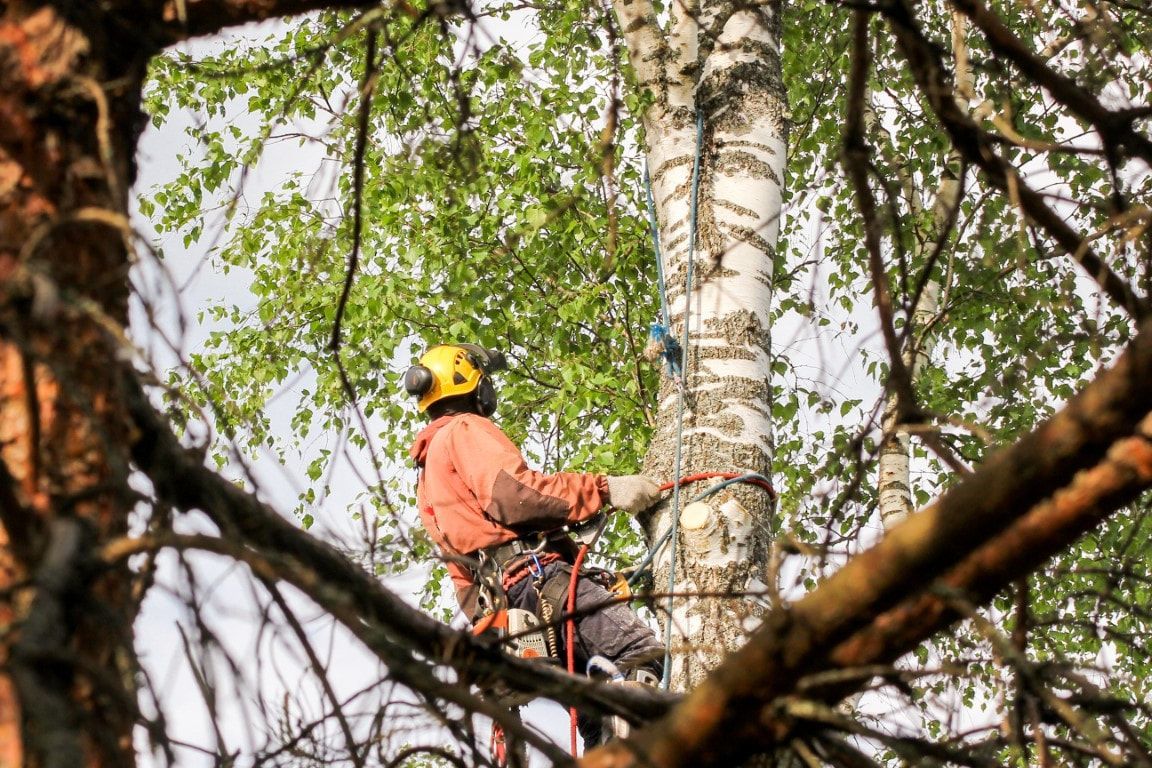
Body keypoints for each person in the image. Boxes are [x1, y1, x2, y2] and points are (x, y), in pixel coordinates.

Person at [404, 343, 664, 746]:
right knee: (641, 656)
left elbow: (462, 577)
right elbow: (515, 495)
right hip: (539, 583)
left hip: (512, 608)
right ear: (470, 382)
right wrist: (605, 489)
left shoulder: (427, 473)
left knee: (595, 711)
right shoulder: (465, 430)